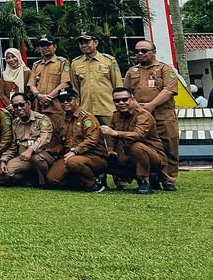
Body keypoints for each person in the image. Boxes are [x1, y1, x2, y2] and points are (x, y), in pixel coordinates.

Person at [123, 40, 179, 191]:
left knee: (169, 146)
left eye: (144, 51)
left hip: (163, 115)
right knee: (145, 147)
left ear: (153, 52)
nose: (140, 54)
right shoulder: (131, 72)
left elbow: (169, 90)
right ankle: (150, 178)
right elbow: (126, 94)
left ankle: (169, 180)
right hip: (140, 118)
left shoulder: (164, 69)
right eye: (137, 51)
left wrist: (151, 105)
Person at [101, 87, 166, 194]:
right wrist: (110, 150)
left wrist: (116, 133)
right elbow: (111, 137)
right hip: (129, 156)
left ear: (132, 99)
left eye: (124, 99)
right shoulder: (116, 115)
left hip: (153, 156)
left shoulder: (143, 115)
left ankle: (144, 181)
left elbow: (139, 135)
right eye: (117, 101)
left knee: (136, 147)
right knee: (104, 159)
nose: (121, 103)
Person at [45, 87, 107, 192]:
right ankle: (78, 181)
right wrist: (51, 150)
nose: (65, 102)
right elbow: (62, 143)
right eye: (62, 100)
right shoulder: (61, 120)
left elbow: (92, 140)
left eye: (69, 99)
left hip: (93, 156)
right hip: (71, 157)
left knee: (73, 162)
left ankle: (94, 183)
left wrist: (74, 151)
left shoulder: (87, 118)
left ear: (77, 101)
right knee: (52, 179)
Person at [0, 91, 59, 187]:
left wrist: (30, 150)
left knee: (36, 158)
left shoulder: (42, 119)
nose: (19, 108)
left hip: (42, 155)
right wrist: (3, 160)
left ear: (29, 104)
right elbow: (12, 146)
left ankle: (43, 183)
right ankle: (29, 178)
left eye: (22, 105)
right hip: (23, 158)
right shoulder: (15, 123)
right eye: (15, 106)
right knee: (3, 173)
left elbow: (44, 137)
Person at [69, 32, 123, 125]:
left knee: (111, 137)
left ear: (96, 43)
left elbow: (118, 85)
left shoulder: (109, 60)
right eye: (81, 43)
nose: (84, 45)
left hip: (108, 108)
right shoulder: (75, 63)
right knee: (90, 137)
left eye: (87, 42)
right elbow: (75, 89)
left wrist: (119, 105)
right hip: (86, 110)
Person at [28, 35, 71, 125]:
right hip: (39, 106)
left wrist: (49, 97)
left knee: (58, 134)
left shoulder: (62, 62)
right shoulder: (36, 65)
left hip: (57, 107)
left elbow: (65, 83)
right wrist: (39, 95)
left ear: (54, 47)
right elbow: (31, 84)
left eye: (48, 45)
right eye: (42, 46)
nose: (45, 48)